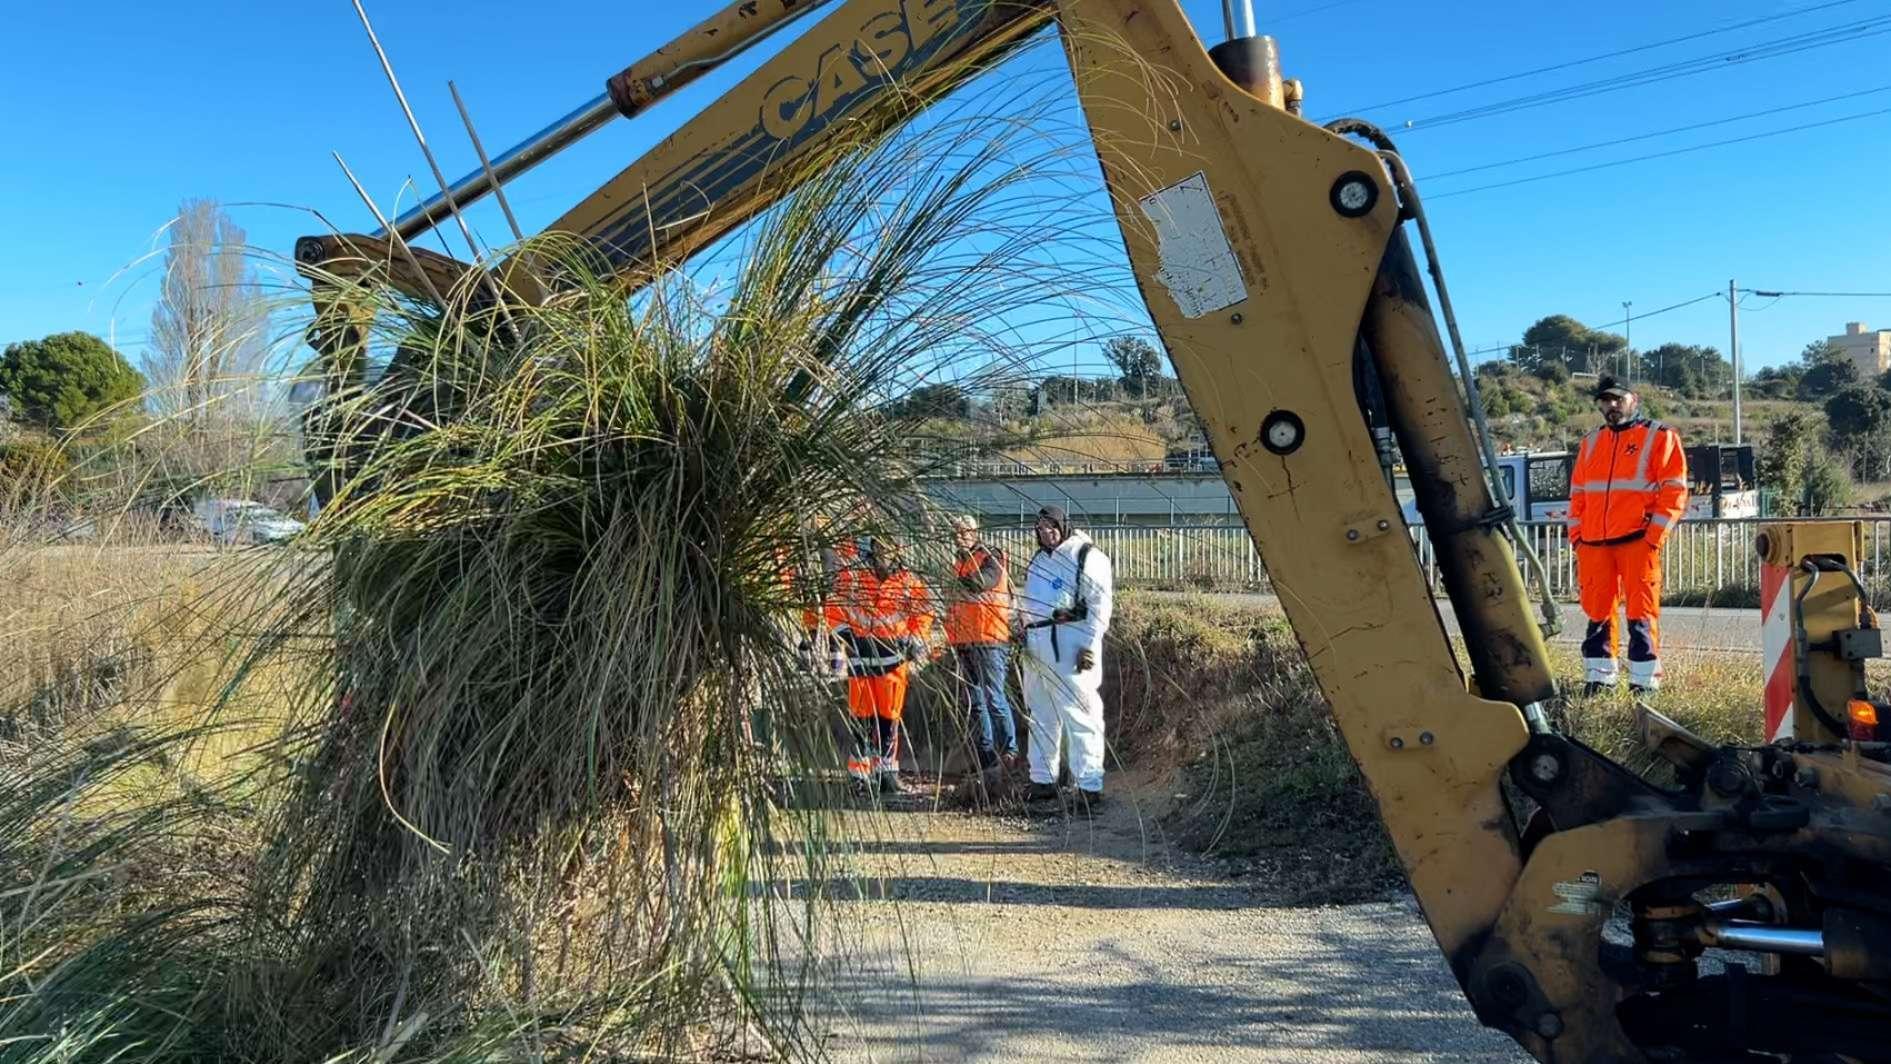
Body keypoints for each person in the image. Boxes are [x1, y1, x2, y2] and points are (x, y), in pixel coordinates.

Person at [1567, 375, 1687, 696]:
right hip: (1593, 544)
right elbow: (1577, 494)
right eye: (1605, 401)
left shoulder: (1660, 437)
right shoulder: (1591, 442)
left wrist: (1653, 537)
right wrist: (1577, 537)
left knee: (1641, 613)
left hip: (1637, 541)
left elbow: (1674, 492)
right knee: (1597, 612)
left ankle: (1644, 684)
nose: (1611, 406)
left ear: (1634, 399)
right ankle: (1599, 681)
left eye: (1618, 399)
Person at [1016, 504, 1114, 811]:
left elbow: (1099, 606)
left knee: (1080, 714)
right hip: (1038, 643)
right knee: (1041, 713)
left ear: (1063, 526)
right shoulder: (1039, 560)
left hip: (1070, 643)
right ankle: (1043, 778)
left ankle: (1088, 784)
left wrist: (1088, 645)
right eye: (1041, 529)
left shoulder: (1087, 557)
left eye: (1051, 528)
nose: (1047, 533)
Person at [830, 536, 937, 797]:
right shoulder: (854, 578)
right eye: (880, 550)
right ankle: (860, 775)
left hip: (893, 659)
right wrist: (844, 636)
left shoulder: (907, 580)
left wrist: (914, 640)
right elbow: (834, 606)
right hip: (862, 657)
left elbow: (924, 611)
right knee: (862, 718)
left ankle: (886, 773)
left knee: (889, 719)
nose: (884, 556)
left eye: (889, 550)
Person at [944, 514, 1018, 778]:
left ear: (976, 533)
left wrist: (955, 584)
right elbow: (954, 607)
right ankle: (987, 758)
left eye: (964, 532)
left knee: (994, 698)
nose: (959, 536)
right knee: (976, 702)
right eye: (956, 532)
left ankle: (1009, 752)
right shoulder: (958, 564)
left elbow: (980, 583)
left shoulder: (990, 556)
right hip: (966, 642)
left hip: (990, 638)